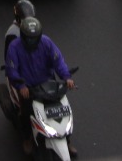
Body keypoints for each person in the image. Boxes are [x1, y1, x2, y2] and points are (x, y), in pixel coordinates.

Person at [5, 17, 77, 157]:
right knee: (26, 113)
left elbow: (58, 61)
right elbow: (11, 70)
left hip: (48, 85)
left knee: (64, 111)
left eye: (34, 38)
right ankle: (27, 139)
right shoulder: (14, 47)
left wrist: (67, 77)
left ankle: (66, 140)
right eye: (29, 38)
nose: (32, 41)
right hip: (29, 89)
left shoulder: (47, 42)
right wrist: (21, 86)